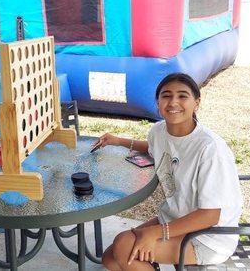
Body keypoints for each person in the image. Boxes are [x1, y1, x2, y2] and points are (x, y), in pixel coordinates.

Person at [96, 73, 242, 270]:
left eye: (183, 96)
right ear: (158, 102)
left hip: (208, 236)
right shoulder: (159, 131)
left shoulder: (210, 148)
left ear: (196, 103)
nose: (173, 102)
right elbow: (153, 147)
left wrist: (155, 232)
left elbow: (211, 216)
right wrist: (119, 141)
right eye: (166, 95)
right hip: (176, 218)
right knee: (109, 259)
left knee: (123, 246)